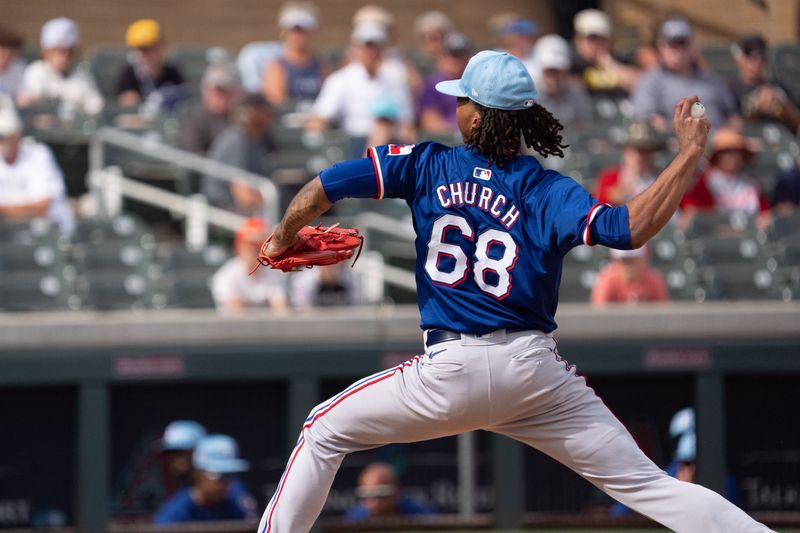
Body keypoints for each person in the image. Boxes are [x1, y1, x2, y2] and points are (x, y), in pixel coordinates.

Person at [256, 50, 773, 532]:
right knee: (649, 486)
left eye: (462, 100)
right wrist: (687, 156)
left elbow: (324, 186)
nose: (454, 105)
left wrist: (280, 239)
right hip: (533, 374)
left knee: (322, 430)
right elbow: (628, 229)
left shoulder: (426, 163)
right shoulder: (547, 188)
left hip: (450, 369)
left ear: (479, 117)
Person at [307, 21, 414, 146]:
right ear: (356, 48)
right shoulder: (340, 79)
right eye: (366, 46)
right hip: (352, 142)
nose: (370, 52)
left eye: (375, 47)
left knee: (383, 127)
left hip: (390, 143)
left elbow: (406, 123)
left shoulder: (396, 78)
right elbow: (321, 114)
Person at [632, 18, 739, 131]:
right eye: (672, 44)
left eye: (682, 43)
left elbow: (733, 116)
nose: (677, 50)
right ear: (661, 46)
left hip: (718, 140)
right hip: (676, 143)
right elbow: (647, 118)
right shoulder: (651, 79)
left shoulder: (710, 78)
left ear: (692, 46)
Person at [0, 106, 74, 233]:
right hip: (13, 237)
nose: (1, 142)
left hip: (52, 235)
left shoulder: (38, 155)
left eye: (3, 136)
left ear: (17, 136)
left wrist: (3, 210)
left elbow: (41, 207)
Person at [154, 434, 253, 524]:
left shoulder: (237, 501)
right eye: (219, 475)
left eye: (230, 475)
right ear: (198, 473)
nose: (225, 482)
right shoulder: (174, 514)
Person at [204, 93, 276, 215]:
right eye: (264, 111)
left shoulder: (256, 140)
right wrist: (279, 207)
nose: (270, 116)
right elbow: (245, 198)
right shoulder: (237, 141)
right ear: (252, 113)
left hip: (244, 211)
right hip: (224, 211)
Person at [17, 18, 103, 115]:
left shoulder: (82, 75)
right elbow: (32, 106)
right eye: (60, 51)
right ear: (47, 52)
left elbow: (96, 106)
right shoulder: (36, 72)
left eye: (70, 51)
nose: (65, 57)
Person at [681, 128, 770, 221]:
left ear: (742, 156)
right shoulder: (706, 180)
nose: (731, 157)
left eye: (735, 153)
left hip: (749, 233)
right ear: (717, 157)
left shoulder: (752, 183)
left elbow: (765, 212)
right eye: (725, 153)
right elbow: (691, 207)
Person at [211, 217, 288, 313]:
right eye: (250, 246)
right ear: (239, 247)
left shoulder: (275, 273)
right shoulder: (226, 275)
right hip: (232, 327)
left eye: (259, 246)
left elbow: (281, 311)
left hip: (271, 327)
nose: (255, 252)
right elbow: (236, 313)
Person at [728, 34, 800, 132]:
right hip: (751, 143)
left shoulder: (777, 85)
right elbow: (730, 129)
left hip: (782, 141)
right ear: (740, 59)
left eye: (761, 55)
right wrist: (755, 111)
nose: (756, 61)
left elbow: (797, 123)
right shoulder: (731, 90)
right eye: (750, 55)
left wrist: (783, 104)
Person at [262, 2, 324, 107]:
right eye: (294, 30)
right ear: (284, 32)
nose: (297, 36)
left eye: (303, 31)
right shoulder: (276, 67)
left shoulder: (321, 66)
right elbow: (276, 100)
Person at [116, 19, 185, 111]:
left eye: (149, 49)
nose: (144, 55)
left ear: (162, 47)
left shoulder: (172, 73)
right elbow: (125, 106)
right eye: (140, 50)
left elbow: (183, 102)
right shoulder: (129, 74)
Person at [570, 8, 639, 97]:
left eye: (603, 38)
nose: (598, 43)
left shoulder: (618, 59)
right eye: (592, 38)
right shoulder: (571, 64)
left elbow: (639, 83)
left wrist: (608, 64)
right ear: (578, 39)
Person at [594, 121, 665, 206]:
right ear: (625, 151)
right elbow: (599, 210)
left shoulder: (663, 178)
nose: (639, 156)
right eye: (634, 150)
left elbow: (684, 207)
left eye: (644, 151)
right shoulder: (609, 177)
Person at [532, 34, 592, 134]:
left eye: (557, 70)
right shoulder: (528, 99)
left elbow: (585, 128)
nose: (553, 76)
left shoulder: (576, 93)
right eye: (549, 71)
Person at [417, 32, 472, 136]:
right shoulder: (432, 86)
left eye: (460, 56)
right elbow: (430, 123)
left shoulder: (477, 84)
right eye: (450, 55)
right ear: (441, 57)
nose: (455, 61)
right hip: (446, 143)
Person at [180, 63, 240, 156]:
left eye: (228, 89)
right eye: (220, 90)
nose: (223, 95)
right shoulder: (196, 120)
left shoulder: (241, 117)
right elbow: (193, 153)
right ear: (206, 91)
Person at [344, 462, 434, 520]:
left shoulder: (418, 513)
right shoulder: (354, 519)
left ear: (396, 490)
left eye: (381, 494)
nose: (373, 501)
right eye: (366, 495)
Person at [590, 246, 669, 305]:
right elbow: (600, 317)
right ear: (615, 261)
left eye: (633, 260)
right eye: (624, 260)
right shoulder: (607, 281)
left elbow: (663, 315)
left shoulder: (653, 281)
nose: (628, 266)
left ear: (644, 260)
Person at [160, 420, 208, 495]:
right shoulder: (179, 500)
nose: (172, 459)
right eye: (169, 453)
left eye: (179, 452)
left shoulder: (229, 491)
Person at [290, 262, 362, 310]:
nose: (331, 266)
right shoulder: (303, 280)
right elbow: (303, 311)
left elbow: (356, 309)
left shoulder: (351, 278)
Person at [0, 26, 25, 98]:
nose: (7, 57)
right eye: (3, 53)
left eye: (11, 53)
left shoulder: (19, 67)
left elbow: (23, 94)